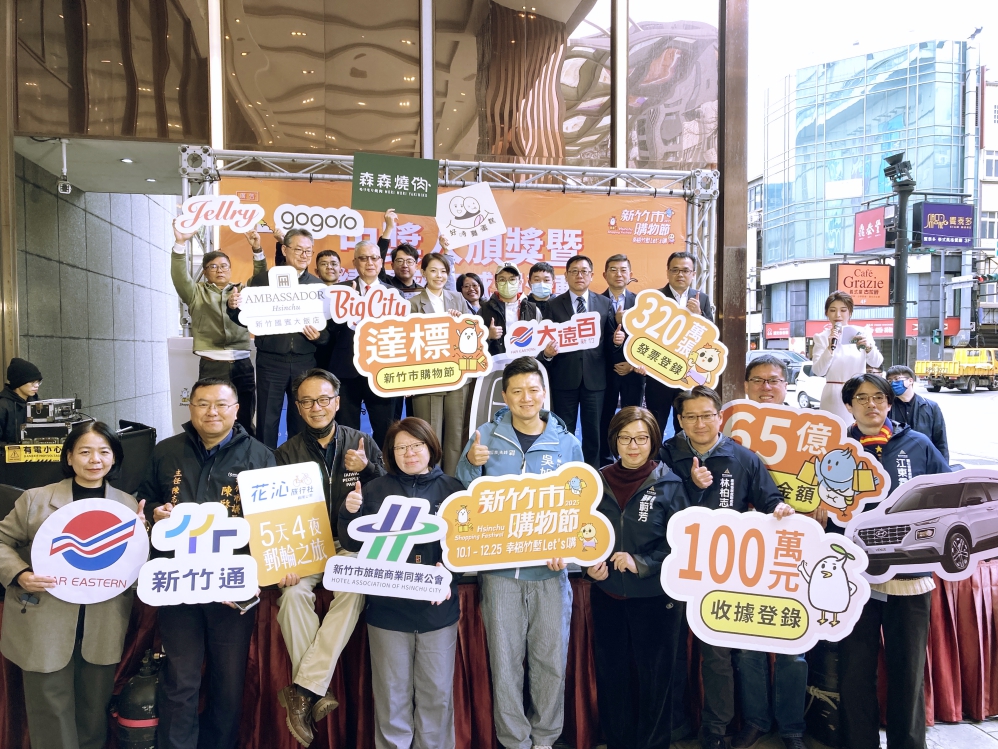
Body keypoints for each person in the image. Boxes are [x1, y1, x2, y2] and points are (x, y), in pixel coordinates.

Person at [137, 378, 275, 749]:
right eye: (202, 404)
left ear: (236, 410)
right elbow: (144, 499)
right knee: (180, 678)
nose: (211, 412)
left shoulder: (260, 456)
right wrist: (155, 512)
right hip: (178, 582)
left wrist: (257, 576)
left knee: (227, 681)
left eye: (220, 404)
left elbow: (270, 524)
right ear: (191, 407)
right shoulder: (166, 451)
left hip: (230, 584)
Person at [456, 356, 583, 749]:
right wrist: (471, 464)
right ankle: (514, 741)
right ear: (505, 396)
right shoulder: (485, 436)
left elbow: (579, 504)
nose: (526, 398)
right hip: (500, 574)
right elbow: (463, 495)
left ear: (543, 393)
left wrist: (566, 549)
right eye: (517, 391)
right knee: (505, 664)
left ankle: (545, 740)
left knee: (551, 662)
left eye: (533, 390)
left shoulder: (566, 442)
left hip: (550, 572)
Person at [661, 385, 794, 749]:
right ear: (680, 420)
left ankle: (715, 731)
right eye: (691, 417)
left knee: (718, 653)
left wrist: (779, 509)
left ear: (720, 417)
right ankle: (674, 724)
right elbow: (655, 506)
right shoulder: (666, 454)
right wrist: (691, 486)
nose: (700, 423)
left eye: (707, 415)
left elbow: (769, 501)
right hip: (674, 567)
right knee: (669, 649)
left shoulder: (743, 458)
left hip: (725, 571)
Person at [0, 422, 143, 749]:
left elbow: (134, 567)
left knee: (93, 713)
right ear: (69, 457)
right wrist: (20, 573)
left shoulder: (127, 505)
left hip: (103, 622)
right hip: (44, 620)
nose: (95, 460)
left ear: (114, 458)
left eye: (104, 452)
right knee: (50, 713)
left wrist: (143, 537)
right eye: (85, 451)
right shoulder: (37, 500)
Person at [273, 369, 385, 746]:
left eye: (323, 399)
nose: (316, 407)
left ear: (337, 402)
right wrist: (283, 560)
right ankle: (315, 688)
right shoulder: (285, 453)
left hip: (348, 544)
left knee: (353, 589)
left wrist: (367, 469)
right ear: (298, 408)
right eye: (306, 401)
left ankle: (304, 689)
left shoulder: (361, 442)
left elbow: (387, 490)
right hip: (305, 545)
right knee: (291, 596)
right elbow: (275, 514)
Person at [837, 374, 949, 749]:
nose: (871, 404)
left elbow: (946, 492)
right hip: (854, 577)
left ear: (889, 403)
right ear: (849, 405)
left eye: (879, 397)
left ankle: (909, 743)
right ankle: (858, 742)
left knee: (908, 669)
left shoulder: (917, 443)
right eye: (861, 398)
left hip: (909, 574)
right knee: (854, 670)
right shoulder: (837, 448)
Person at [339, 418, 464, 749]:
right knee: (391, 698)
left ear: (430, 447)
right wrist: (349, 512)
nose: (410, 453)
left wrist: (449, 572)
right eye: (401, 448)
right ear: (390, 454)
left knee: (436, 695)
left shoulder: (453, 489)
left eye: (416, 445)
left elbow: (467, 547)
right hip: (387, 611)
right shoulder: (375, 489)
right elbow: (352, 543)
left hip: (438, 611)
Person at [587, 406, 690, 749]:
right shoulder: (595, 482)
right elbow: (579, 532)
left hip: (656, 598)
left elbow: (683, 545)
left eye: (642, 438)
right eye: (625, 438)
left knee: (655, 682)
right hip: (607, 595)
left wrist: (641, 562)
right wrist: (587, 564)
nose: (633, 446)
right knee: (613, 678)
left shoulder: (670, 484)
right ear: (614, 440)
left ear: (653, 441)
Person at [734, 356, 810, 749]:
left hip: (793, 548)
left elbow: (831, 486)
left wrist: (822, 506)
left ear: (786, 384)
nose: (766, 387)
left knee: (794, 643)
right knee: (748, 642)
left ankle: (793, 727)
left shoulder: (811, 429)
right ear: (746, 384)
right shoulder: (730, 426)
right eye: (758, 380)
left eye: (774, 380)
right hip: (744, 548)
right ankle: (756, 720)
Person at [227, 228, 330, 449]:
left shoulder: (318, 287)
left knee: (302, 419)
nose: (304, 255)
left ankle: (298, 462)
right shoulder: (262, 281)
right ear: (284, 249)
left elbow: (327, 333)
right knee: (267, 420)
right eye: (298, 249)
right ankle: (265, 462)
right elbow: (248, 320)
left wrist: (319, 337)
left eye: (308, 251)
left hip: (304, 362)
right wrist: (233, 308)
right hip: (271, 362)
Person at [172, 223, 266, 436]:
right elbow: (179, 277)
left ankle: (244, 454)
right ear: (205, 272)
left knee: (245, 416)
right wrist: (180, 243)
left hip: (242, 364)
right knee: (212, 418)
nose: (220, 270)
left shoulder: (243, 291)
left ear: (230, 269)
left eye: (224, 266)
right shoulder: (196, 293)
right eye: (213, 267)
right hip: (212, 365)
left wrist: (257, 250)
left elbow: (261, 282)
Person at [540, 254, 616, 466]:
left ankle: (592, 472)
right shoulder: (553, 305)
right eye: (574, 271)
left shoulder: (605, 303)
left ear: (591, 275)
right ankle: (563, 469)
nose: (579, 275)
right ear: (566, 276)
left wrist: (618, 342)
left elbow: (609, 343)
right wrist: (547, 353)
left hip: (595, 379)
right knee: (564, 430)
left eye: (584, 271)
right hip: (564, 378)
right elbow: (543, 342)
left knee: (594, 432)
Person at [323, 239, 399, 448]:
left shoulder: (394, 294)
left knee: (386, 429)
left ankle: (383, 466)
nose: (369, 263)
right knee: (346, 431)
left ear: (381, 262)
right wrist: (348, 308)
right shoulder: (340, 291)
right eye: (364, 258)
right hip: (346, 371)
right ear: (355, 262)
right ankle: (348, 468)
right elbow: (329, 330)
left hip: (382, 372)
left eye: (374, 258)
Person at [409, 253, 470, 475]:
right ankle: (429, 478)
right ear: (423, 272)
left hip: (456, 376)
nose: (439, 276)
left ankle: (451, 481)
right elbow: (408, 343)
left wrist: (459, 322)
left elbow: (470, 333)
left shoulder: (458, 298)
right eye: (433, 270)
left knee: (455, 433)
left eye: (444, 271)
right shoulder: (413, 303)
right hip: (427, 378)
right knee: (428, 433)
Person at [645, 252, 714, 436]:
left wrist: (699, 315)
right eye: (675, 270)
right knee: (655, 425)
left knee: (686, 425)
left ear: (693, 274)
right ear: (667, 272)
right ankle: (655, 455)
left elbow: (711, 336)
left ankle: (684, 455)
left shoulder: (702, 299)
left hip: (688, 376)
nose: (680, 274)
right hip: (659, 374)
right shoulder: (655, 298)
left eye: (685, 270)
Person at [599, 254, 644, 466]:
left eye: (623, 270)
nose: (618, 274)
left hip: (633, 372)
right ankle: (606, 461)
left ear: (630, 274)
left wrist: (633, 364)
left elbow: (647, 338)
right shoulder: (596, 302)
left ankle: (632, 459)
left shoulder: (641, 303)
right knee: (604, 418)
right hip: (605, 371)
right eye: (613, 269)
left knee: (632, 417)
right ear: (604, 275)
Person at [811, 291, 883, 423]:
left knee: (858, 428)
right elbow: (818, 370)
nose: (838, 315)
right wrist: (829, 348)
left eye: (843, 310)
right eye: (832, 310)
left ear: (850, 312)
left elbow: (877, 362)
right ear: (827, 313)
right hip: (832, 395)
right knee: (833, 430)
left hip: (859, 391)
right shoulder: (822, 337)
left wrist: (868, 347)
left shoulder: (862, 333)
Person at [478, 261, 542, 357]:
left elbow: (541, 342)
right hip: (496, 365)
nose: (507, 283)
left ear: (520, 282)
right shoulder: (484, 310)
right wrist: (488, 336)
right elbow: (473, 346)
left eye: (512, 279)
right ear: (496, 283)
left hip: (525, 364)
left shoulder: (533, 310)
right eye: (502, 279)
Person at [885, 365, 948, 461]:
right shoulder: (887, 407)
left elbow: (941, 442)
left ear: (910, 380)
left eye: (897, 379)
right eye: (890, 381)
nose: (893, 383)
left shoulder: (930, 407)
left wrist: (943, 467)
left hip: (923, 461)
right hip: (896, 461)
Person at [378, 209, 423, 299]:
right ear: (392, 265)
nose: (404, 265)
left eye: (409, 261)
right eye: (400, 261)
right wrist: (389, 228)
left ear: (416, 266)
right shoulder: (385, 284)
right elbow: (378, 260)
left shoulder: (422, 292)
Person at [0, 357, 42, 444]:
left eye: (38, 382)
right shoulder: (3, 406)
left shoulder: (37, 404)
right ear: (19, 382)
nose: (36, 385)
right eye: (32, 382)